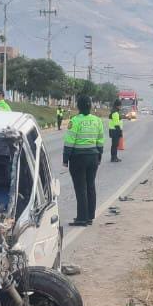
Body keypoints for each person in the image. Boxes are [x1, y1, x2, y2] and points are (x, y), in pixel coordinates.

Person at [63, 94, 106, 226]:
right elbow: (100, 140)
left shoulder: (74, 121)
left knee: (80, 188)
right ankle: (89, 216)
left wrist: (65, 159)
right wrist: (99, 156)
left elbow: (69, 141)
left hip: (78, 158)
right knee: (90, 186)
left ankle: (81, 218)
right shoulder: (97, 120)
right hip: (93, 157)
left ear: (79, 106)